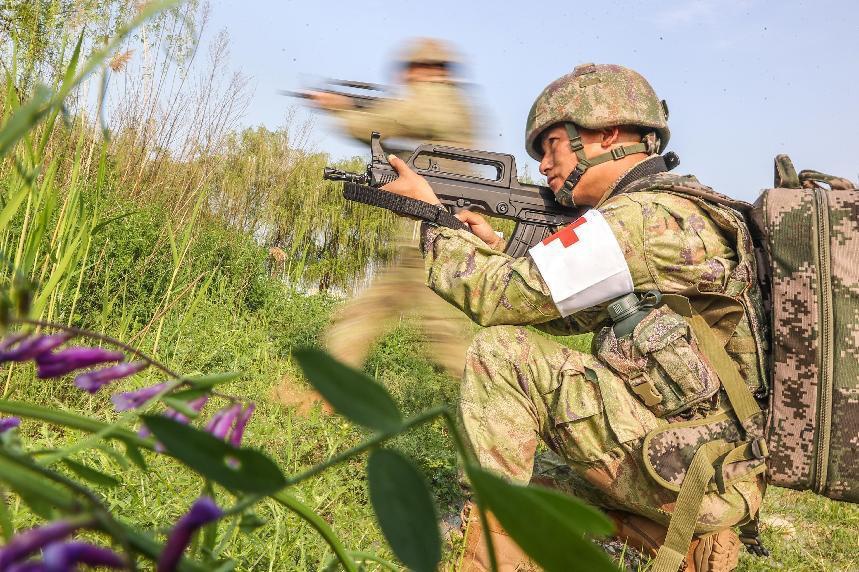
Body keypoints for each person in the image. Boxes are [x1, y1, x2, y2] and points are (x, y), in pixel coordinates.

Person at [380, 63, 769, 572]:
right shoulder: (675, 210)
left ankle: (486, 550)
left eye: (552, 145)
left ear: (606, 133)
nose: (543, 165)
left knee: (503, 357)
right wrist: (495, 246)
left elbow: (495, 301)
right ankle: (672, 539)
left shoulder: (637, 221)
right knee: (543, 474)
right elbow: (565, 313)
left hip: (692, 468)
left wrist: (434, 220)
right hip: (713, 467)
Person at [308, 38, 478, 376]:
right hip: (445, 218)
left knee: (394, 311)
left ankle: (328, 387)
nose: (407, 78)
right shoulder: (455, 104)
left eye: (412, 69)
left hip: (438, 220)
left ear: (426, 69)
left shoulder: (435, 98)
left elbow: (383, 124)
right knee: (431, 320)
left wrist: (339, 107)